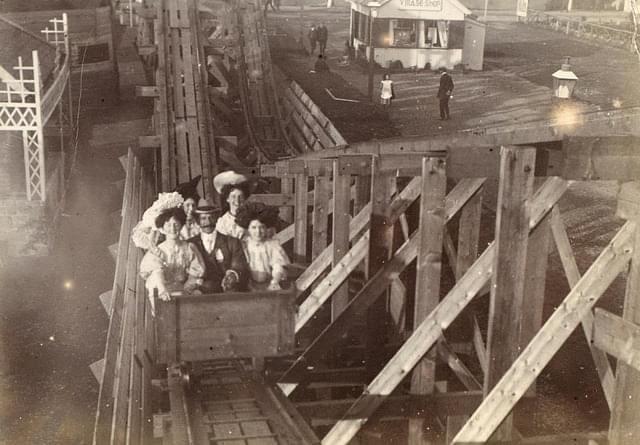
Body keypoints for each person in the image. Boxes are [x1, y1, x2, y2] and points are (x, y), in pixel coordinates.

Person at [139, 206, 206, 311]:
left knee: (197, 297)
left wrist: (188, 286)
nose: (173, 229)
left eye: (176, 224)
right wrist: (162, 290)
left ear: (181, 225)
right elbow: (157, 273)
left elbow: (196, 270)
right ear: (162, 229)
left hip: (184, 288)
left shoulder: (189, 247)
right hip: (164, 290)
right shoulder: (158, 251)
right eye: (168, 225)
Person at [188, 201, 249, 293]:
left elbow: (239, 266)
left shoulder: (232, 242)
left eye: (211, 218)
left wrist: (232, 276)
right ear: (198, 221)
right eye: (203, 218)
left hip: (227, 292)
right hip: (199, 294)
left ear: (216, 219)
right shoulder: (190, 243)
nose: (208, 222)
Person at [236, 203, 290, 291]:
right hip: (247, 286)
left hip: (269, 285)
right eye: (254, 227)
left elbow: (278, 265)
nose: (258, 232)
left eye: (261, 227)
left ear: (266, 229)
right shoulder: (244, 245)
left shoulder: (272, 245)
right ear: (248, 229)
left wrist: (275, 281)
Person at [214, 170, 252, 239]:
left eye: (240, 197)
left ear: (245, 199)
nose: (237, 201)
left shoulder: (251, 218)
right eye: (233, 197)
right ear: (227, 199)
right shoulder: (223, 222)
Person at [174, 175, 202, 240]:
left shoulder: (198, 222)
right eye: (187, 205)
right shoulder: (176, 222)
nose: (191, 209)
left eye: (193, 205)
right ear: (181, 206)